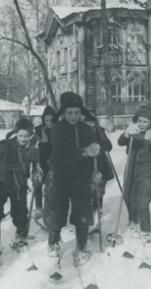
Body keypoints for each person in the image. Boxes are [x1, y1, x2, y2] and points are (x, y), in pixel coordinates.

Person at [44, 92, 101, 271]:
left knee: (82, 210)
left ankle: (81, 246)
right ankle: (54, 241)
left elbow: (94, 152)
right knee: (57, 209)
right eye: (70, 113)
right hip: (60, 174)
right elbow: (62, 154)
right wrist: (85, 151)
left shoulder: (86, 128)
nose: (74, 116)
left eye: (77, 112)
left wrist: (95, 172)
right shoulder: (57, 129)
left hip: (81, 175)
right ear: (63, 113)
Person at [0, 118, 41, 256]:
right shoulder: (4, 146)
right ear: (16, 133)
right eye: (20, 136)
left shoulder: (33, 150)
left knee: (20, 212)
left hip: (19, 186)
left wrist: (36, 174)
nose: (23, 139)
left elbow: (36, 166)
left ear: (31, 135)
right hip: (2, 182)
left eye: (26, 136)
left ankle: (20, 235)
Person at [117, 105, 151, 244]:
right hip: (131, 169)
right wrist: (126, 134)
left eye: (145, 121)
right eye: (140, 120)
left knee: (143, 201)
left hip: (146, 170)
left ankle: (145, 230)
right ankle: (134, 220)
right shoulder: (133, 131)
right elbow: (120, 142)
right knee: (128, 196)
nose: (142, 124)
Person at [81, 106, 114, 234]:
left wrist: (100, 139)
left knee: (99, 192)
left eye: (91, 122)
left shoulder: (99, 131)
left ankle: (96, 217)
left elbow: (108, 146)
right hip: (85, 168)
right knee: (87, 194)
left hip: (100, 167)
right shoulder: (79, 133)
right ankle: (88, 221)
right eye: (86, 122)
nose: (89, 124)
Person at [34, 106, 56, 219]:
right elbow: (33, 143)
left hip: (54, 161)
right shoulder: (38, 129)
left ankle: (51, 208)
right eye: (47, 120)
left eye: (51, 120)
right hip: (41, 160)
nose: (49, 122)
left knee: (51, 186)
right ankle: (38, 207)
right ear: (43, 119)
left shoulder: (58, 129)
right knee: (38, 183)